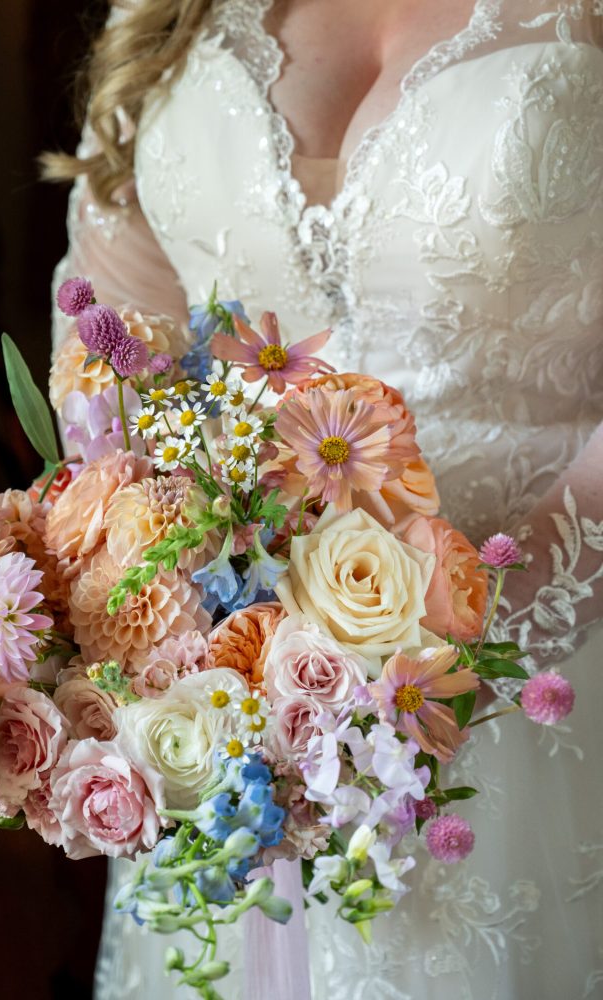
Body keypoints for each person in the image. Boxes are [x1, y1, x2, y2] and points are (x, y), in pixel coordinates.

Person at [49, 1, 603, 997]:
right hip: (233, 714)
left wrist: (463, 652)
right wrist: (158, 619)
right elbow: (112, 336)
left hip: (546, 672)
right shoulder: (169, 14)